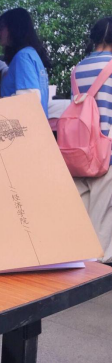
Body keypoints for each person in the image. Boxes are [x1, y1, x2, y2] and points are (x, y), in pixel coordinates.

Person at [72, 16, 112, 263]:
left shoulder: (78, 68)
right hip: (107, 152)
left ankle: (81, 267)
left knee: (83, 220)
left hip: (79, 151)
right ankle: (98, 274)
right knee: (103, 223)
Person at [0, 8, 51, 117]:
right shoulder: (31, 54)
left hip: (26, 126)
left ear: (15, 27)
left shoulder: (23, 57)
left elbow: (28, 100)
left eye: (1, 28)